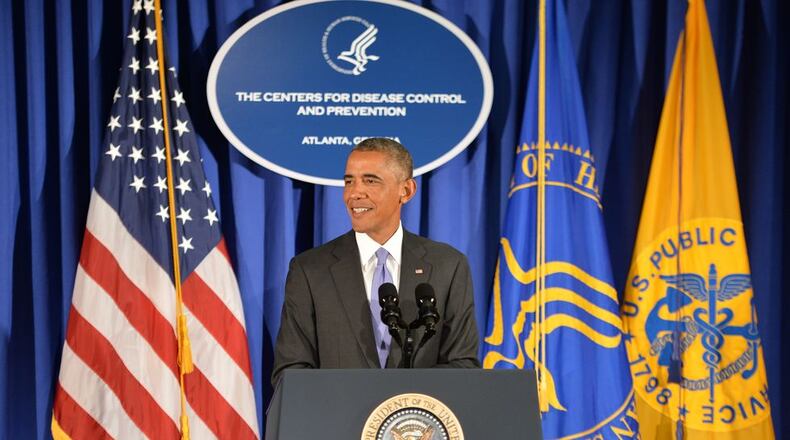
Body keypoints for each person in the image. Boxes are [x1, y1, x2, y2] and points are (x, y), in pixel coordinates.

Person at [272, 138, 479, 385]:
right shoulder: (310, 270)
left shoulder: (448, 267)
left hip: (416, 422)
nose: (354, 193)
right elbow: (291, 371)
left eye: (370, 180)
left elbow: (462, 365)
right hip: (338, 421)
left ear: (406, 191)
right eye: (349, 181)